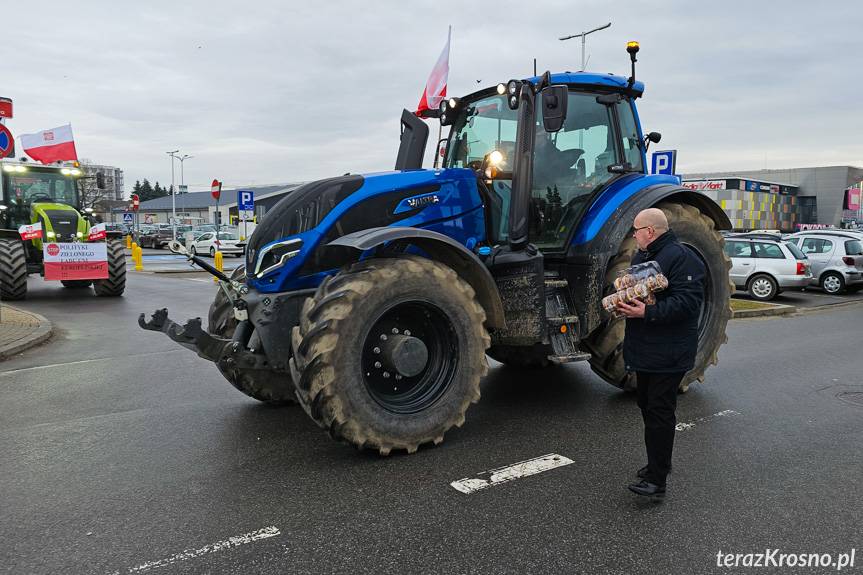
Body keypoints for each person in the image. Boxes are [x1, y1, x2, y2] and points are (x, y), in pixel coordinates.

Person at [616, 208, 705, 500]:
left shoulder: (681, 257)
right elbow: (645, 294)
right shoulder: (643, 257)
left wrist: (648, 311)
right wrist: (625, 298)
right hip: (647, 349)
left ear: (650, 232)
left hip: (670, 352)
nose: (634, 234)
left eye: (636, 230)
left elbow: (688, 303)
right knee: (646, 406)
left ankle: (657, 482)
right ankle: (657, 464)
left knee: (659, 412)